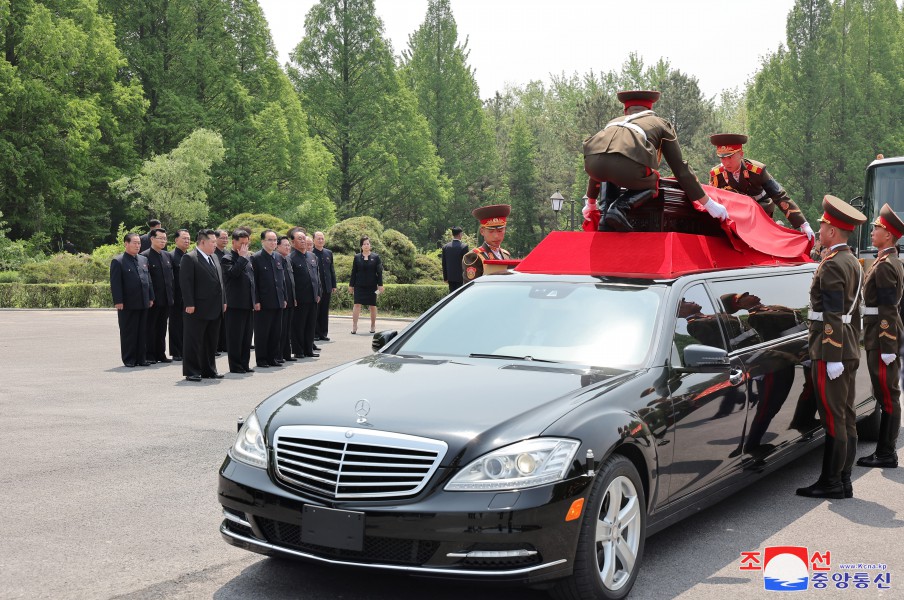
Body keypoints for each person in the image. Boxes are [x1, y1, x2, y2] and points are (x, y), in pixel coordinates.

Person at [796, 195, 866, 499]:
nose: (821, 228)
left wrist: (833, 354)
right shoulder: (851, 260)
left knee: (834, 417)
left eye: (824, 225)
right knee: (845, 415)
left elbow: (833, 313)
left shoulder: (833, 265)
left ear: (833, 231)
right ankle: (843, 478)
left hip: (830, 350)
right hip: (849, 345)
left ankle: (832, 482)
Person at [581, 90, 728, 232]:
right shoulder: (660, 123)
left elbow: (602, 163)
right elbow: (680, 170)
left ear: (626, 111)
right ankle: (619, 208)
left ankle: (604, 219)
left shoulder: (613, 122)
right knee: (654, 179)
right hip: (627, 169)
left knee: (607, 172)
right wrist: (709, 204)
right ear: (650, 109)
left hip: (592, 164)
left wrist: (591, 203)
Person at [857, 204, 904, 468]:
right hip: (882, 334)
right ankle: (885, 451)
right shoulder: (888, 261)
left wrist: (888, 344)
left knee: (887, 394)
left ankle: (886, 453)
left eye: (877, 228)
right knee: (886, 393)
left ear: (888, 235)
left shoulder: (886, 265)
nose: (873, 232)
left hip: (881, 337)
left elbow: (888, 307)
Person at [709, 133, 814, 240]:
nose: (726, 163)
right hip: (734, 217)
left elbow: (779, 195)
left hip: (760, 212)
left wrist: (803, 223)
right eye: (722, 158)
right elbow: (712, 202)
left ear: (741, 154)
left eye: (730, 157)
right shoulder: (716, 175)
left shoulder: (757, 170)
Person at [179, 229, 226, 382]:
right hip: (197, 308)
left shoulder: (214, 257)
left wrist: (223, 301)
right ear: (203, 242)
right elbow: (186, 283)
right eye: (212, 241)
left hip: (215, 307)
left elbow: (220, 282)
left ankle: (209, 369)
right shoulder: (190, 258)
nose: (215, 244)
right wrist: (189, 303)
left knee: (211, 341)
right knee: (194, 341)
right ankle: (192, 371)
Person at [110, 232, 154, 367]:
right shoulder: (118, 261)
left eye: (139, 243)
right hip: (127, 304)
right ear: (126, 244)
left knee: (142, 331)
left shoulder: (143, 260)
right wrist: (118, 301)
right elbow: (116, 283)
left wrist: (151, 297)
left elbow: (148, 280)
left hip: (143, 301)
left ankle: (141, 358)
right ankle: (129, 359)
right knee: (129, 331)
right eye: (134, 243)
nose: (137, 245)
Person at [221, 229, 256, 374]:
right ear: (233, 242)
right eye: (242, 243)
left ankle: (244, 364)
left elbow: (251, 280)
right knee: (235, 336)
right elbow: (233, 274)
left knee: (247, 337)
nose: (244, 247)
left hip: (248, 303)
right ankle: (235, 366)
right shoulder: (227, 258)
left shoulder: (247, 258)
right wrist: (241, 258)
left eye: (246, 244)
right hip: (235, 304)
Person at [251, 229, 287, 368]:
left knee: (275, 331)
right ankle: (262, 359)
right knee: (262, 332)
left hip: (278, 300)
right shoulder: (256, 258)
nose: (273, 243)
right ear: (262, 242)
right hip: (264, 302)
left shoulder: (278, 257)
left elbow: (281, 280)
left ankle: (273, 358)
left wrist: (284, 297)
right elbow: (254, 282)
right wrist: (256, 300)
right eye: (270, 240)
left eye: (274, 240)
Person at [140, 227, 174, 363]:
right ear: (152, 239)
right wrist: (150, 297)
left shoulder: (167, 256)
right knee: (150, 327)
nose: (163, 241)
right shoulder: (144, 256)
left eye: (165, 239)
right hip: (153, 300)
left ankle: (161, 354)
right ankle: (150, 354)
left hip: (166, 299)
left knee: (161, 328)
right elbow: (146, 280)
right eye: (160, 238)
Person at [290, 229, 322, 357]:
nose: (303, 241)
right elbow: (290, 280)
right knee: (299, 325)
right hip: (300, 298)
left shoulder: (312, 256)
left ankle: (309, 349)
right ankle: (298, 351)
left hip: (313, 297)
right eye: (299, 239)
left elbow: (317, 277)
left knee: (310, 325)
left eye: (304, 238)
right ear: (293, 242)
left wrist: (318, 292)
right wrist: (293, 296)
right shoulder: (290, 258)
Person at [462, 205, 512, 282]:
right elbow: (471, 288)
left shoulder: (506, 255)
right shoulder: (474, 257)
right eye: (491, 231)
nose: (496, 236)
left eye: (500, 230)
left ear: (505, 230)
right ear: (482, 231)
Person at [349, 235, 383, 334]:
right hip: (359, 285)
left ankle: (373, 325)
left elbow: (379, 272)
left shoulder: (376, 257)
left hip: (372, 286)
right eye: (364, 244)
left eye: (368, 243)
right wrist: (351, 285)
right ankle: (354, 326)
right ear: (361, 246)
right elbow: (353, 272)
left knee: (372, 305)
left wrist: (380, 285)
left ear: (370, 245)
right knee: (357, 305)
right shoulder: (357, 257)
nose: (366, 245)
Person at [168, 228, 191, 361]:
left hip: (188, 296)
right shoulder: (171, 256)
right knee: (176, 324)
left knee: (188, 324)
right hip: (176, 296)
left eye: (188, 238)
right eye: (184, 238)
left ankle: (185, 349)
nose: (187, 241)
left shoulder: (190, 256)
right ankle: (176, 351)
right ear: (176, 240)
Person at [276, 235, 297, 362]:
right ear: (278, 246)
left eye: (289, 245)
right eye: (285, 245)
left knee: (288, 329)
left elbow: (291, 281)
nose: (288, 247)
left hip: (290, 299)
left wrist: (293, 297)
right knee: (281, 330)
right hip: (281, 300)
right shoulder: (276, 259)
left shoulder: (288, 260)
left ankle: (286, 354)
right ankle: (278, 355)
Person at [313, 231, 336, 341]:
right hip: (317, 288)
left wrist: (333, 284)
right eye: (318, 238)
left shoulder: (328, 253)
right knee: (316, 310)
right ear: (313, 240)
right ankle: (316, 333)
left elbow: (331, 270)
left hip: (327, 286)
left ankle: (324, 333)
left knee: (324, 311)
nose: (321, 240)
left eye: (322, 238)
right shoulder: (311, 253)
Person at [214, 229, 229, 354]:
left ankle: (224, 344)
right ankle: (217, 345)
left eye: (226, 238)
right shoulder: (212, 254)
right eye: (222, 238)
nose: (225, 240)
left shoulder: (227, 254)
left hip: (227, 290)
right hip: (216, 292)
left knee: (226, 320)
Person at [441, 226, 469, 292]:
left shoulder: (445, 247)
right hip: (461, 278)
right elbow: (466, 263)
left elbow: (444, 263)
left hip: (450, 278)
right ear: (460, 234)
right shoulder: (464, 246)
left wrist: (445, 278)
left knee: (452, 296)